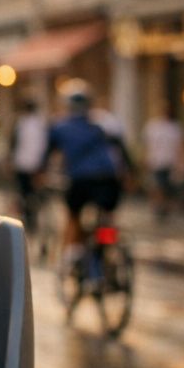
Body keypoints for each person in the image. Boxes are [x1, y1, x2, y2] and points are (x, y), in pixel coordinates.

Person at [45, 84, 133, 270]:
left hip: (80, 180)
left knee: (74, 215)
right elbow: (121, 148)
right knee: (106, 215)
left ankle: (73, 256)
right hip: (108, 179)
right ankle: (107, 247)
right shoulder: (100, 126)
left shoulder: (60, 127)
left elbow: (47, 154)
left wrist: (41, 174)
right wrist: (129, 172)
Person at [10, 97, 49, 232]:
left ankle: (27, 217)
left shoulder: (20, 123)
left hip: (22, 163)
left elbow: (13, 143)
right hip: (36, 165)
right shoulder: (41, 124)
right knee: (35, 194)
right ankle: (33, 218)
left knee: (24, 194)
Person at [141, 102, 182, 220]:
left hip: (170, 162)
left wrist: (179, 163)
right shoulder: (152, 126)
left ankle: (165, 208)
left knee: (167, 187)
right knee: (157, 186)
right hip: (156, 161)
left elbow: (179, 146)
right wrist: (145, 159)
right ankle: (158, 207)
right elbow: (147, 144)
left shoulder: (175, 127)